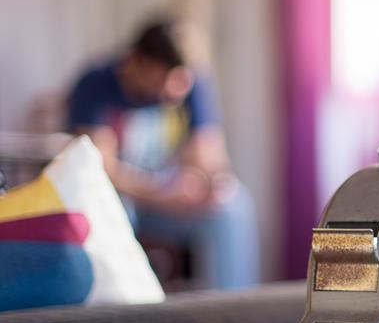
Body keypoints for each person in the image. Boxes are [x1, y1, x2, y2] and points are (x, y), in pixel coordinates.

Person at [68, 19, 258, 289]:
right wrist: (162, 195)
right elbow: (102, 171)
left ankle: (233, 312)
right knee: (117, 209)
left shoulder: (191, 82)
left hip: (168, 199)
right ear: (136, 60)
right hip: (129, 199)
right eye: (165, 76)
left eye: (182, 81)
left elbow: (207, 155)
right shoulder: (95, 85)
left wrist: (211, 185)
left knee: (233, 207)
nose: (175, 89)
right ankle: (126, 311)